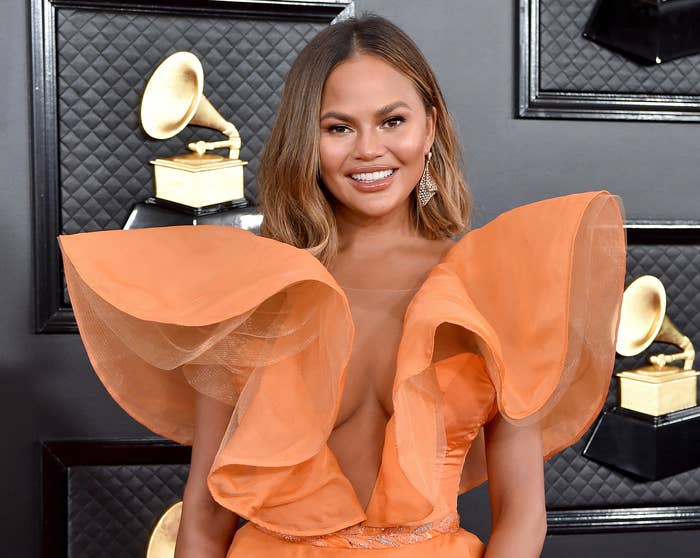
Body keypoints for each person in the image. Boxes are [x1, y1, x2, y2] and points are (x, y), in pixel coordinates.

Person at [58, 15, 627, 558]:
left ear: (430, 125)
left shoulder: (494, 284)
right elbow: (205, 519)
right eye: (338, 128)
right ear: (309, 140)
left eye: (393, 121)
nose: (369, 150)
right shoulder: (258, 289)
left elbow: (524, 515)